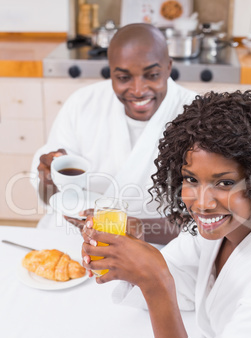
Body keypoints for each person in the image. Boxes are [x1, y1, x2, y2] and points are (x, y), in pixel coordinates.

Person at [82, 90, 251, 338]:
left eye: (224, 183)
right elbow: (180, 281)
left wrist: (155, 282)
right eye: (191, 179)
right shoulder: (216, 233)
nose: (203, 203)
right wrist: (134, 256)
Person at [31, 23, 196, 244]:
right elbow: (50, 199)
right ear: (111, 73)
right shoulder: (83, 104)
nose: (138, 90)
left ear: (169, 67)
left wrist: (127, 226)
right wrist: (48, 178)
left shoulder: (196, 115)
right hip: (74, 238)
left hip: (157, 247)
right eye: (123, 78)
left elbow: (207, 220)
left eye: (152, 75)